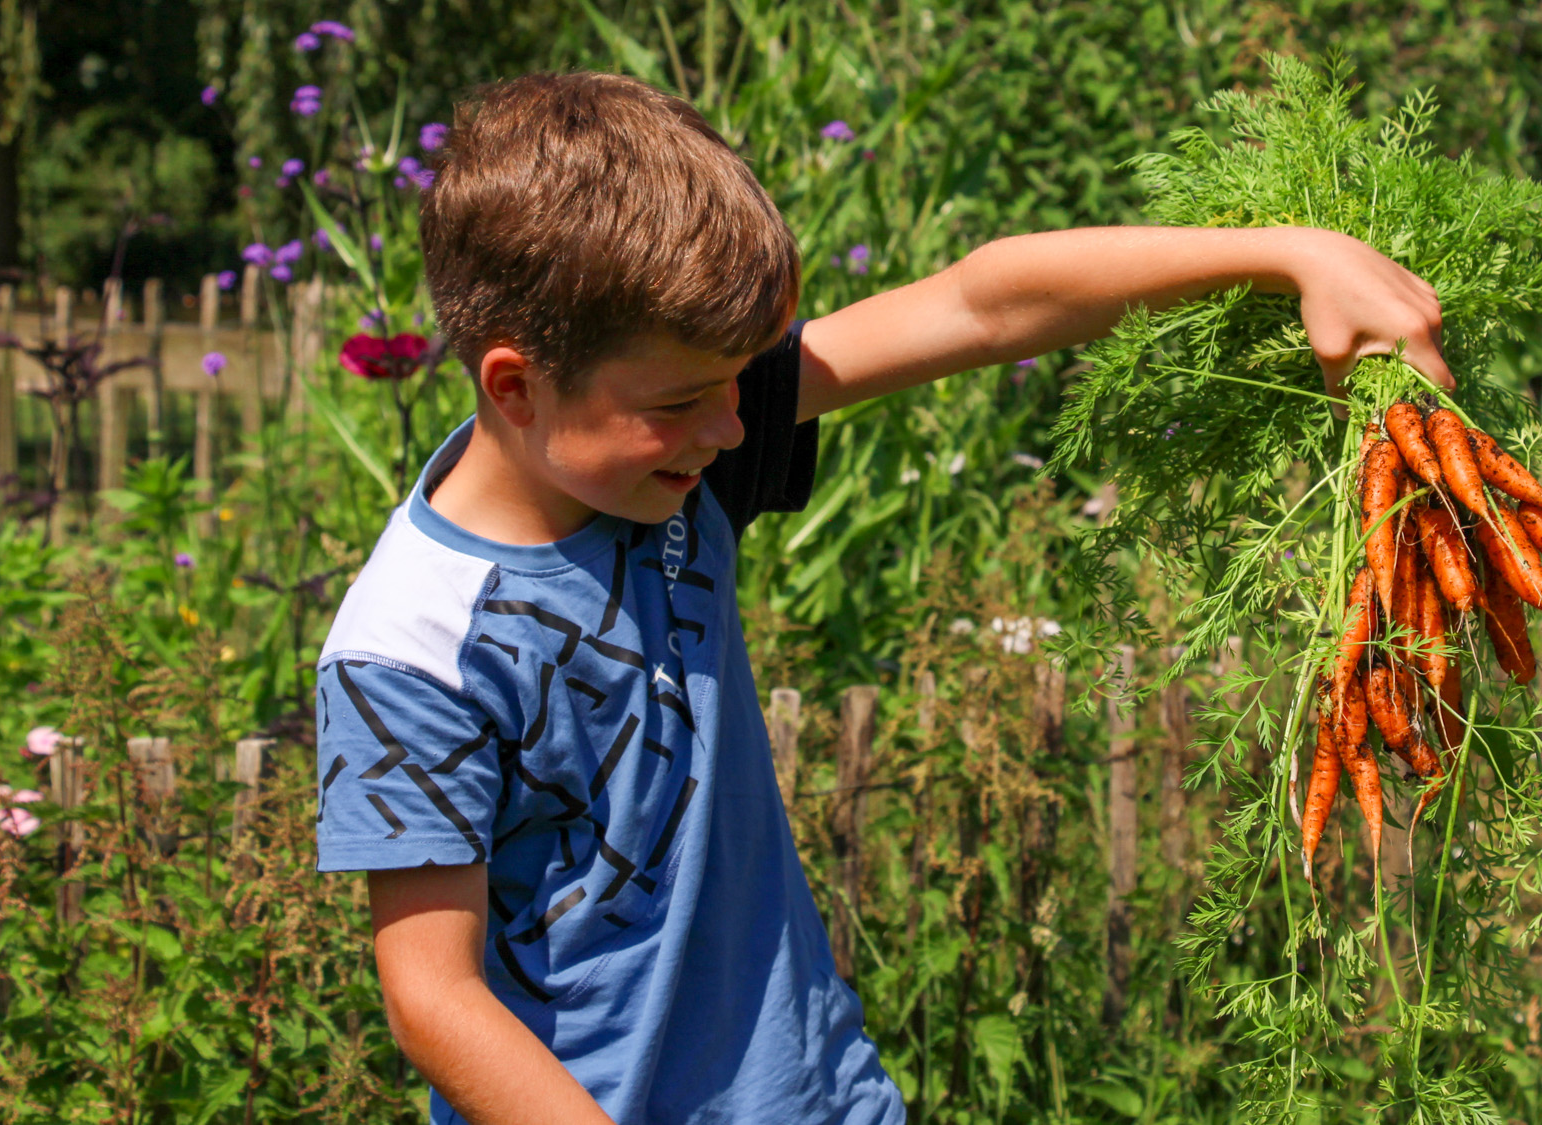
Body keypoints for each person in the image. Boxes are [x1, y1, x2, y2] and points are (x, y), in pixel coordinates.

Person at [313, 72, 1450, 1125]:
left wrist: (1287, 255)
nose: (730, 427)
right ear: (515, 385)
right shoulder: (411, 646)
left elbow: (979, 306)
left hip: (820, 1093)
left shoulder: (657, 458)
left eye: (734, 386)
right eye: (683, 400)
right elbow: (433, 998)